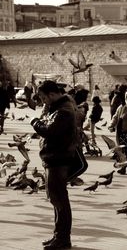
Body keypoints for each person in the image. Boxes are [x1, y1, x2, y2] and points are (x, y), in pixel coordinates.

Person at [30, 80, 79, 249]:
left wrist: (35, 122)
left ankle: (63, 238)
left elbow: (50, 131)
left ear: (52, 95)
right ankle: (59, 236)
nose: (43, 101)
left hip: (58, 160)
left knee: (59, 200)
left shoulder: (63, 111)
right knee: (56, 199)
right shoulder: (59, 108)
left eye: (44, 98)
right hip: (55, 158)